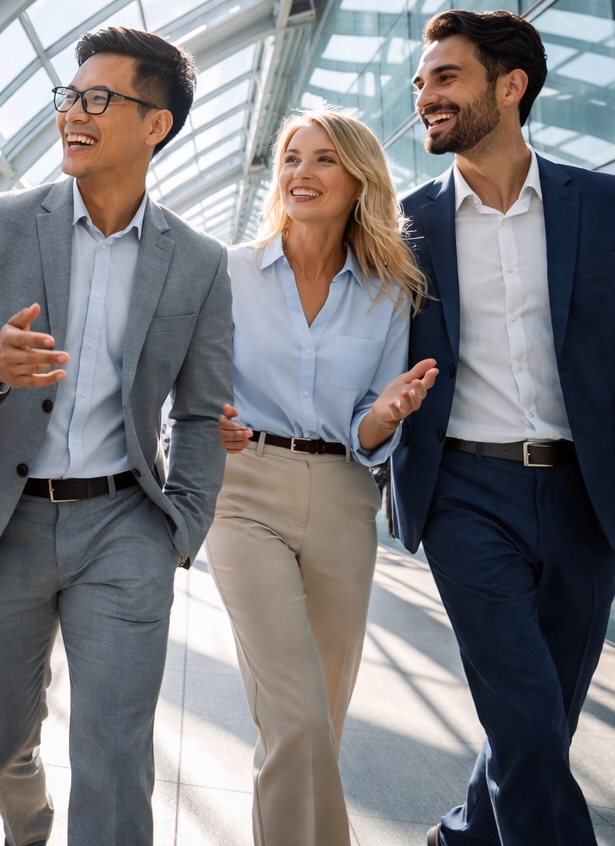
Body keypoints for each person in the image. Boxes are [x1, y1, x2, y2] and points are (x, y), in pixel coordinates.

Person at [393, 9, 615, 845]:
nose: (423, 93)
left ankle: (466, 832)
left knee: (543, 719)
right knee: (529, 722)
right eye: (421, 79)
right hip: (464, 491)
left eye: (444, 77)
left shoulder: (609, 205)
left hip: (587, 496)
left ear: (510, 86)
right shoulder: (404, 223)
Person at [0, 26, 234, 845]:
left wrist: (184, 527)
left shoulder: (198, 262)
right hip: (5, 519)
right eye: (69, 97)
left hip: (125, 527)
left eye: (98, 99)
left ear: (154, 123)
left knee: (115, 751)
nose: (73, 115)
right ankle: (28, 826)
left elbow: (201, 411)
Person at [209, 110, 436, 846]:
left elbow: (367, 421)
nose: (300, 174)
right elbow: (188, 379)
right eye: (291, 159)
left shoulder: (388, 290)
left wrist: (390, 413)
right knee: (296, 713)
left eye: (323, 160)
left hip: (344, 498)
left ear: (360, 179)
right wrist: (201, 418)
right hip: (245, 491)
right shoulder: (231, 272)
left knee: (318, 726)